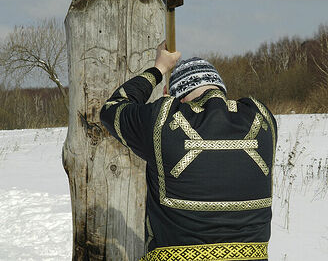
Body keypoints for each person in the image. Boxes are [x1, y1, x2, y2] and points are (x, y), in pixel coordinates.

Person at [100, 41, 277, 261]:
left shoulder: (162, 120)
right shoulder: (263, 120)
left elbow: (112, 108)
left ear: (177, 98)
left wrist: (159, 69)